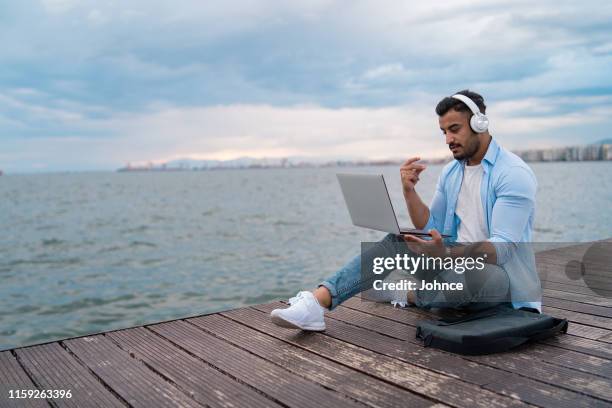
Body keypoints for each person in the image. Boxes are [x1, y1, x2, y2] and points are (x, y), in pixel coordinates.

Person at [270, 90, 542, 331]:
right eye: (444, 132)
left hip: (500, 284)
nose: (448, 139)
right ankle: (316, 305)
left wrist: (446, 252)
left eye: (455, 129)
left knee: (479, 275)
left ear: (479, 123)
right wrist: (409, 191)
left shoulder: (513, 173)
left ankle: (409, 293)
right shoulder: (452, 172)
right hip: (455, 265)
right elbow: (430, 226)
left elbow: (504, 248)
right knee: (395, 242)